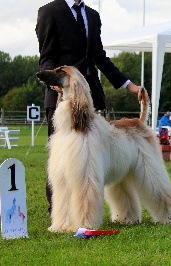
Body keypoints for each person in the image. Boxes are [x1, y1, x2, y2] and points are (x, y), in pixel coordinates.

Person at [36, 0, 143, 213]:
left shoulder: (92, 15)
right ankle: (59, 212)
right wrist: (55, 83)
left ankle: (86, 209)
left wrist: (127, 84)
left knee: (91, 163)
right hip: (62, 102)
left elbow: (100, 57)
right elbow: (47, 57)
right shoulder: (49, 11)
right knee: (61, 163)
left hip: (90, 100)